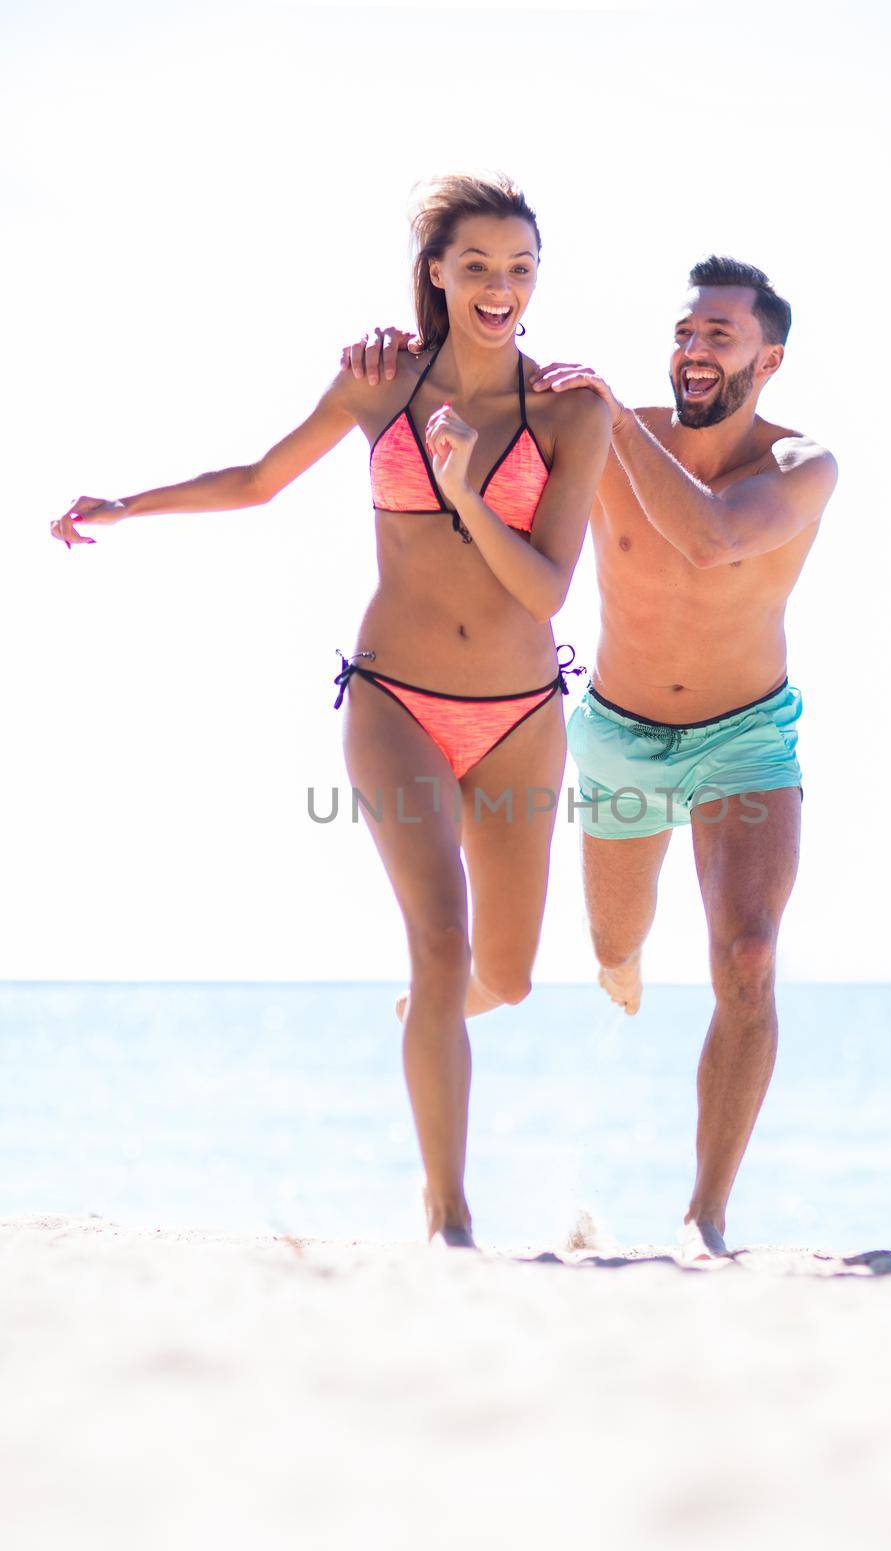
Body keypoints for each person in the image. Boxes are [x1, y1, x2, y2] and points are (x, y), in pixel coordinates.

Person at [49, 174, 611, 1249]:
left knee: (508, 974)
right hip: (393, 699)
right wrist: (127, 506)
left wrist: (457, 493)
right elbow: (259, 480)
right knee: (439, 947)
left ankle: (428, 1020)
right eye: (477, 264)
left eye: (520, 266)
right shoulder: (380, 384)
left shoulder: (569, 407)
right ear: (436, 272)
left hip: (519, 717)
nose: (500, 285)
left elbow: (544, 588)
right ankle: (448, 1211)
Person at [338, 255, 837, 1257]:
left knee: (745, 959)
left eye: (719, 336)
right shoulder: (607, 428)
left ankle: (702, 1215)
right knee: (613, 943)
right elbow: (467, 419)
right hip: (618, 735)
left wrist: (610, 419)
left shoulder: (800, 466)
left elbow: (704, 540)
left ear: (767, 358)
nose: (693, 352)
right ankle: (614, 957)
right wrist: (401, 358)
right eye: (686, 332)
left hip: (745, 740)